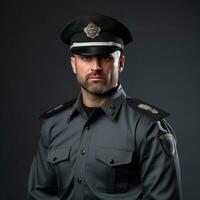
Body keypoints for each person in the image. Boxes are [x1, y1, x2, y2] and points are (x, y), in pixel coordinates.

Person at [27, 14, 182, 200]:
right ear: (73, 64)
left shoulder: (147, 127)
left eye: (106, 58)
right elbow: (38, 195)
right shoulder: (53, 125)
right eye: (85, 57)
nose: (96, 66)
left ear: (121, 63)